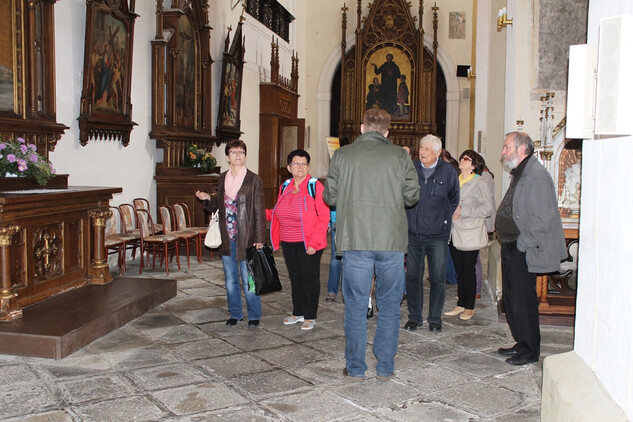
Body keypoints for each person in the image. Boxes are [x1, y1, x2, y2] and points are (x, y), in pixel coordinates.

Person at [323, 108, 420, 381]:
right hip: (391, 241)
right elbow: (412, 196)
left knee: (355, 306)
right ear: (387, 133)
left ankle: (355, 367)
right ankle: (386, 365)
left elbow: (330, 196)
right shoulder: (400, 155)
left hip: (355, 239)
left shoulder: (342, 155)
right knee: (389, 306)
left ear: (362, 128)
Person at [496, 132, 566, 365]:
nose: (503, 152)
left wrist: (522, 244)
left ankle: (529, 350)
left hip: (522, 248)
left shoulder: (536, 175)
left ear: (521, 148)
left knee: (523, 301)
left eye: (506, 147)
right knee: (512, 298)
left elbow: (541, 219)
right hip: (511, 245)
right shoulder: (521, 172)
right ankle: (521, 342)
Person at [195, 140, 266, 328]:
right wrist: (207, 199)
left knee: (249, 277)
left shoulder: (254, 180)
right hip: (227, 237)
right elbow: (218, 205)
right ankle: (235, 314)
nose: (238, 155)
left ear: (245, 155)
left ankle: (254, 315)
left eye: (241, 151)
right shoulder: (222, 179)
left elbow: (259, 211)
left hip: (247, 237)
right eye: (234, 152)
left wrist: (260, 238)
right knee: (230, 280)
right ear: (227, 157)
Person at [268, 150, 330, 331]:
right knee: (295, 278)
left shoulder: (314, 186)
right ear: (289, 168)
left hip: (308, 242)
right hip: (288, 240)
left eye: (304, 164)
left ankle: (310, 315)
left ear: (309, 167)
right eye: (296, 163)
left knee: (309, 279)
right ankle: (298, 312)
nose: (300, 167)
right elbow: (277, 211)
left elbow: (323, 215)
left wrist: (315, 243)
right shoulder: (285, 186)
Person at [404, 135, 460, 333]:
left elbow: (454, 199)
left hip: (437, 235)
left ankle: (435, 319)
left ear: (438, 152)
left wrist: (442, 220)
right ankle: (415, 317)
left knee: (437, 278)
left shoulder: (448, 172)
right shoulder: (411, 168)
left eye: (428, 148)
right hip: (413, 234)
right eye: (421, 147)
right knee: (412, 277)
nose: (423, 151)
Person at [444, 150, 494, 321]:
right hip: (454, 231)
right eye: (462, 157)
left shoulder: (479, 183)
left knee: (468, 270)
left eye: (466, 158)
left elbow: (487, 208)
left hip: (469, 231)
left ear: (474, 165)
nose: (462, 160)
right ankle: (461, 303)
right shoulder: (455, 180)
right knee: (460, 270)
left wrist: (464, 211)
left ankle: (470, 306)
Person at [440, 149, 460, 285]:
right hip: (445, 215)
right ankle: (448, 275)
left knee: (449, 249)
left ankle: (451, 276)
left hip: (451, 216)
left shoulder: (450, 170)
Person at [325, 207, 342, 302]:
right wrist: (328, 221)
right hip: (335, 219)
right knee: (335, 259)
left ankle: (347, 292)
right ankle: (332, 290)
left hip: (351, 219)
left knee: (349, 260)